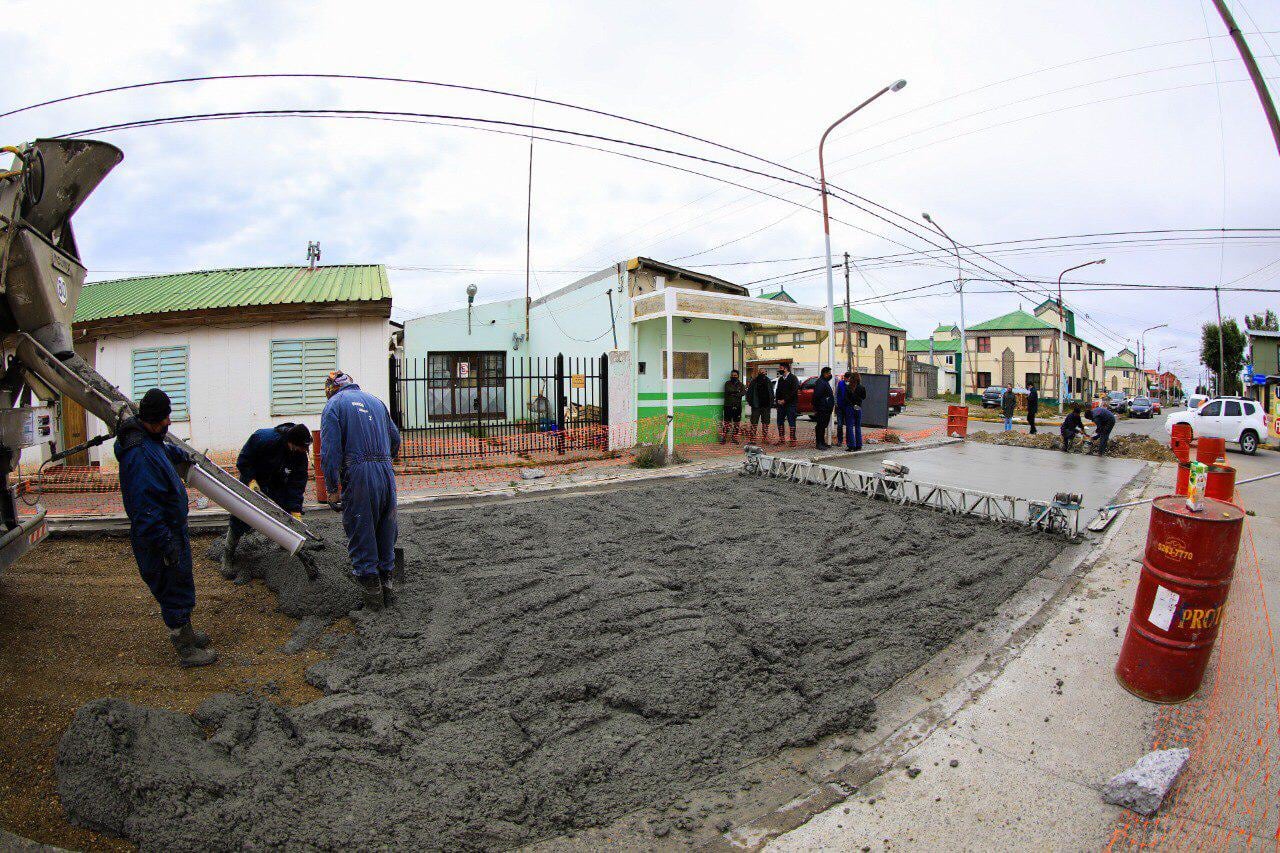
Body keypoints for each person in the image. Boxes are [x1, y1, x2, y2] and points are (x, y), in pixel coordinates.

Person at [116, 389, 216, 668]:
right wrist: (166, 544)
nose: (169, 422)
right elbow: (144, 511)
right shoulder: (138, 456)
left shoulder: (150, 439)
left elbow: (162, 449)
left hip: (170, 530)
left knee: (181, 580)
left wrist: (180, 453)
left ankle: (188, 632)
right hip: (159, 535)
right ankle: (185, 649)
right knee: (172, 586)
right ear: (152, 419)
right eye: (165, 418)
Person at [320, 370, 402, 611]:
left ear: (330, 390)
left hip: (360, 474)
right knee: (386, 528)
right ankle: (389, 587)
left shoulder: (334, 406)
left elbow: (330, 451)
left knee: (361, 529)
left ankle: (373, 597)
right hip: (386, 473)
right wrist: (384, 461)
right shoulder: (377, 402)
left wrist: (332, 488)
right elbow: (395, 439)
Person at [220, 422, 313, 583]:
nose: (304, 452)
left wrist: (295, 509)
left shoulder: (299, 455)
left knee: (284, 515)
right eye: (302, 448)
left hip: (277, 484)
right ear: (291, 443)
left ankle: (283, 551)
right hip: (254, 482)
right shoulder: (263, 438)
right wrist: (250, 479)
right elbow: (243, 460)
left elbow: (297, 483)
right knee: (241, 517)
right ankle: (227, 555)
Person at [774, 364, 800, 446]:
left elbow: (794, 391)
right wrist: (777, 400)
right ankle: (781, 439)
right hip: (781, 405)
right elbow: (778, 390)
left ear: (786, 369)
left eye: (781, 368)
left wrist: (785, 400)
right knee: (780, 421)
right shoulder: (781, 379)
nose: (779, 370)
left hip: (791, 404)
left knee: (791, 422)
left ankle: (792, 440)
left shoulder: (793, 378)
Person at [841, 371, 866, 451]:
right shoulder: (861, 387)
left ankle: (851, 445)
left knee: (850, 426)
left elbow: (845, 398)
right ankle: (859, 445)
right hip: (858, 407)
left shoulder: (848, 387)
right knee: (858, 426)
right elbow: (864, 397)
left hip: (850, 407)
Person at [720, 369, 746, 444]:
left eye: (735, 375)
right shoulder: (727, 383)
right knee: (726, 423)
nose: (733, 376)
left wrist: (734, 393)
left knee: (736, 423)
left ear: (738, 376)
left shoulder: (741, 384)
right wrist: (737, 391)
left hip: (737, 406)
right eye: (732, 375)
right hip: (728, 406)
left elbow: (743, 393)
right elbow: (728, 390)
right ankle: (724, 438)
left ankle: (734, 438)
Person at [812, 366, 835, 450]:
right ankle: (819, 443)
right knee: (820, 426)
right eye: (829, 373)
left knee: (823, 426)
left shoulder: (825, 382)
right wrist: (817, 407)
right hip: (822, 408)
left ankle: (822, 442)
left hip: (826, 409)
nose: (830, 375)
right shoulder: (821, 382)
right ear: (824, 374)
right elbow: (817, 396)